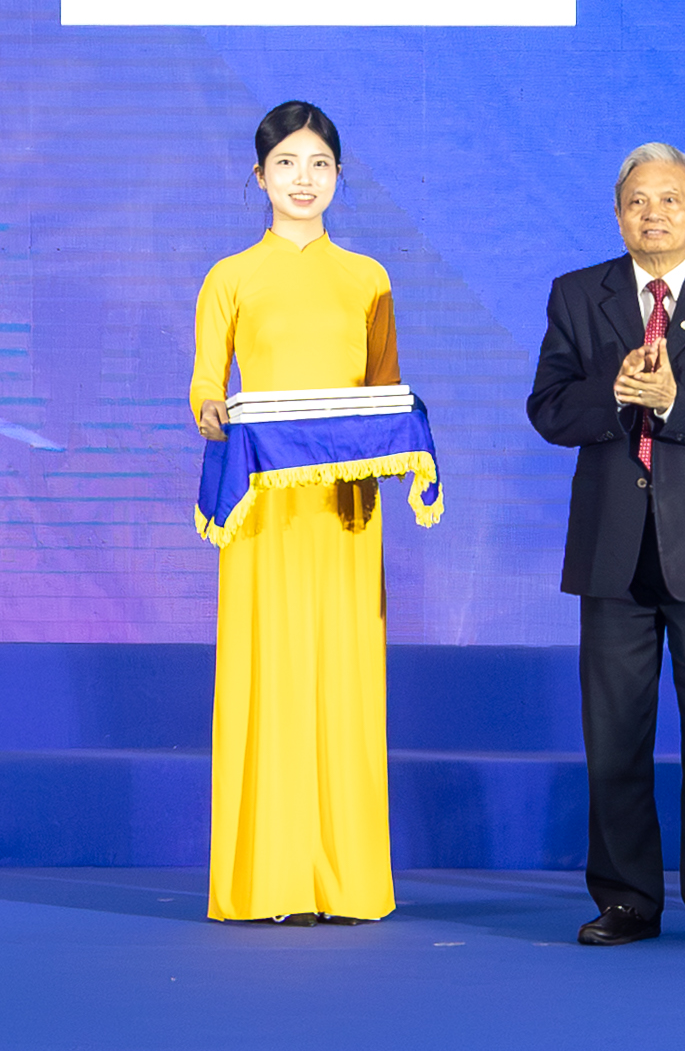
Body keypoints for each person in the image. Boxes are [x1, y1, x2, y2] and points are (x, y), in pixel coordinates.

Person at [527, 143, 685, 948]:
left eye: (670, 200)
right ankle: (626, 899)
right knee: (614, 735)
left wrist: (676, 402)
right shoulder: (579, 295)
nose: (654, 214)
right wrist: (611, 394)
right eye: (638, 201)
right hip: (612, 545)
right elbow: (548, 408)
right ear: (618, 215)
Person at [190, 100, 400, 924]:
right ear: (258, 177)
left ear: (339, 176)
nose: (303, 179)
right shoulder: (230, 277)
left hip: (345, 509)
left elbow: (385, 393)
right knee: (269, 674)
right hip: (263, 508)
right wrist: (211, 412)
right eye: (286, 164)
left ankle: (348, 883)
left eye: (318, 164)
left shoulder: (370, 278)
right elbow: (207, 386)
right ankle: (269, 881)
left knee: (346, 680)